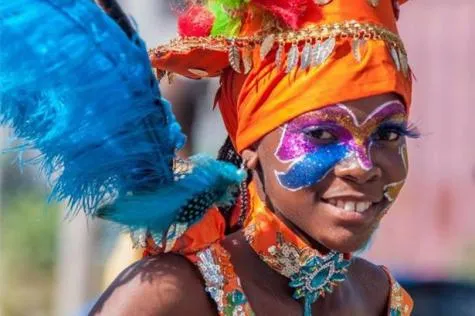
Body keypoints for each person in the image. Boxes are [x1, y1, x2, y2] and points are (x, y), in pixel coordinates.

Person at [0, 0, 415, 315]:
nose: (362, 165)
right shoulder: (169, 294)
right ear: (251, 145)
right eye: (322, 134)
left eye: (389, 133)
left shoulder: (382, 297)